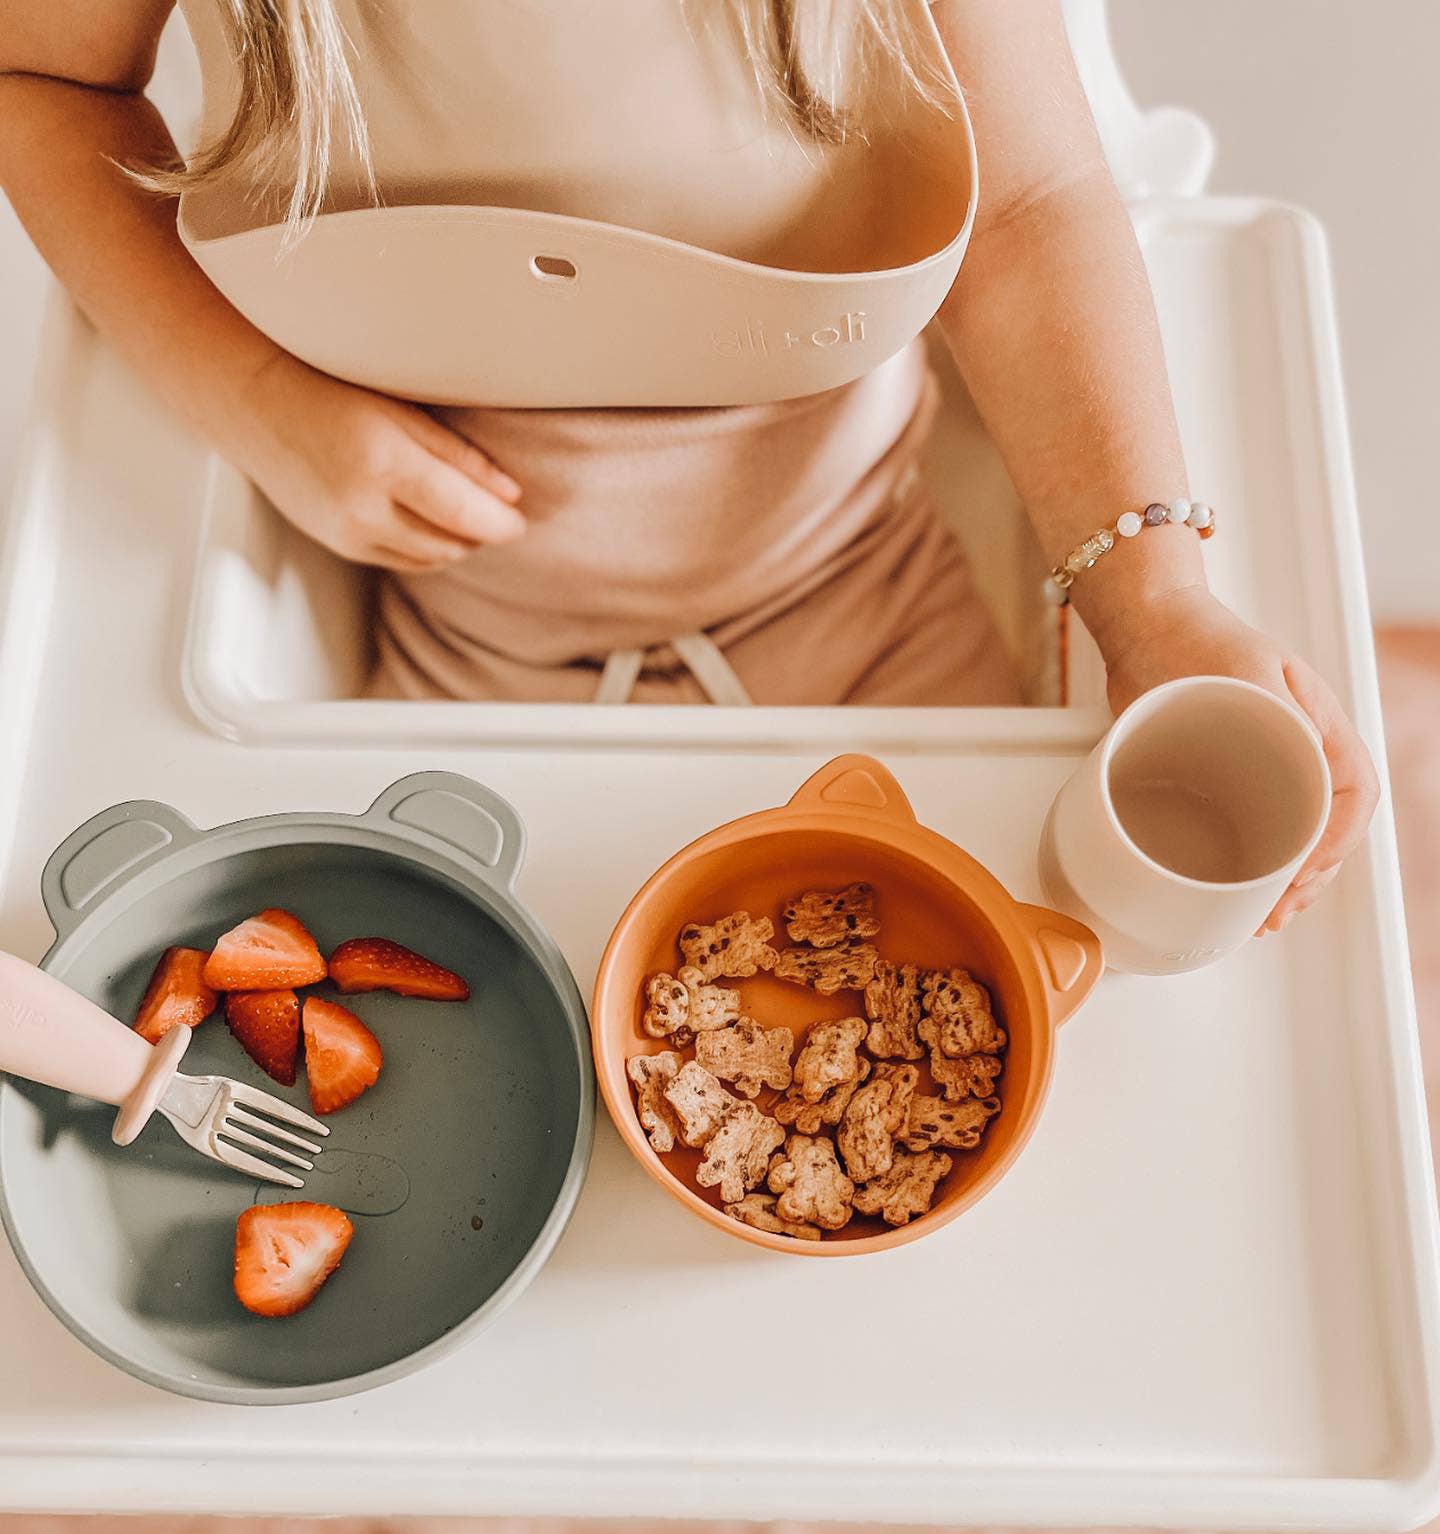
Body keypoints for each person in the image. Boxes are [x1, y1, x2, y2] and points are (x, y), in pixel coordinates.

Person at [0, 0, 1376, 927]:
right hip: (455, 629)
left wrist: (1156, 605)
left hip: (870, 583)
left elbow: (1026, 211)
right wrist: (253, 398)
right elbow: (43, 82)